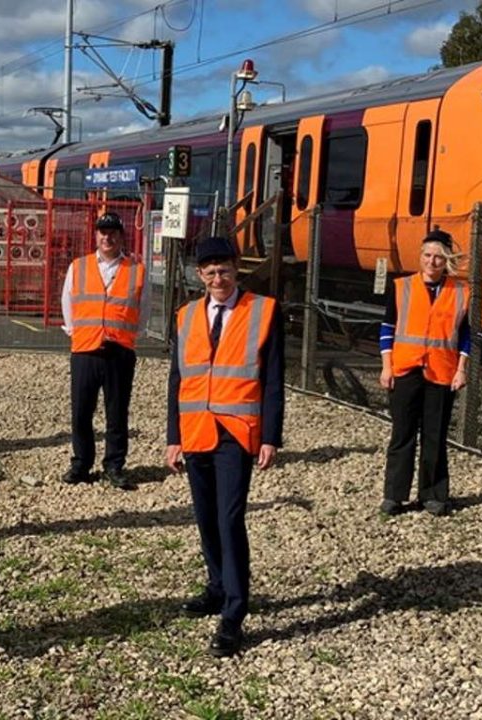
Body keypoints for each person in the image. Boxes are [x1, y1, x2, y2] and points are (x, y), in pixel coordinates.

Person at [164, 236, 284, 658]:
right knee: (206, 517)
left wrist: (271, 436)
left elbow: (272, 379)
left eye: (225, 271)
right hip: (196, 430)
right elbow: (178, 380)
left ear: (236, 269)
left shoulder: (263, 311)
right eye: (210, 272)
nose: (218, 278)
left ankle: (235, 610)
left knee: (230, 518)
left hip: (236, 431)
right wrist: (172, 437)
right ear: (200, 275)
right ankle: (217, 586)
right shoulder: (186, 315)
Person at [379, 229, 470, 517]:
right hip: (405, 369)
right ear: (420, 257)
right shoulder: (401, 287)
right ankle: (394, 496)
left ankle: (433, 495)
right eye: (428, 255)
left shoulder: (461, 292)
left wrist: (461, 370)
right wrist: (386, 366)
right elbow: (387, 329)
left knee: (435, 436)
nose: (432, 262)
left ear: (447, 261)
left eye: (439, 257)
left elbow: (466, 335)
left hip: (442, 373)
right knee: (402, 434)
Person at [61, 211, 150, 490]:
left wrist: (126, 335)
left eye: (112, 232)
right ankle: (81, 463)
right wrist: (77, 332)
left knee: (117, 411)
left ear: (121, 236)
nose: (106, 236)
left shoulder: (137, 270)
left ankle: (114, 465)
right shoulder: (79, 266)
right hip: (85, 349)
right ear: (95, 235)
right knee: (81, 411)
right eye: (102, 231)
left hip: (119, 351)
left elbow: (143, 311)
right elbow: (67, 301)